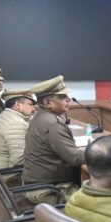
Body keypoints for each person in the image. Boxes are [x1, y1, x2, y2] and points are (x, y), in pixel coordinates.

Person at [22, 76, 85, 204]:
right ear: (47, 103)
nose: (68, 99)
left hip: (37, 185)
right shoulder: (53, 124)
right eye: (62, 97)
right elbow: (75, 158)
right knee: (99, 201)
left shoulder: (40, 116)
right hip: (49, 190)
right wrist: (102, 152)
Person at [0, 89, 36, 185]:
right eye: (30, 104)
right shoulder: (15, 123)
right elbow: (19, 160)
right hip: (9, 178)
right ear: (18, 105)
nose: (33, 109)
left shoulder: (6, 116)